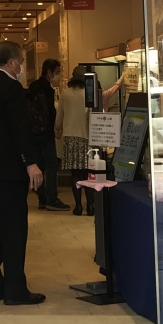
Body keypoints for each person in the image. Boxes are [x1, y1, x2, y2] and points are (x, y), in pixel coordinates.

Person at [0, 41, 46, 306]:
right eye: (21, 62)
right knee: (13, 230)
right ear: (12, 62)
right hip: (9, 172)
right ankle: (15, 289)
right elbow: (20, 129)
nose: (22, 67)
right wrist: (31, 163)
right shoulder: (12, 88)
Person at [28, 58, 69, 211]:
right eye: (57, 72)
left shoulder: (32, 87)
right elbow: (51, 113)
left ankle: (42, 198)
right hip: (45, 133)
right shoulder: (47, 89)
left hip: (33, 133)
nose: (58, 75)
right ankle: (52, 198)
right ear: (50, 72)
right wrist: (56, 128)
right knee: (51, 165)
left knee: (39, 165)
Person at [55, 70, 93, 215]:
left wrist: (57, 128)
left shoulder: (65, 93)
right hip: (85, 136)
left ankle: (78, 206)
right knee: (87, 173)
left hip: (69, 137)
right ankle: (90, 206)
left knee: (75, 173)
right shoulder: (88, 94)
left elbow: (59, 115)